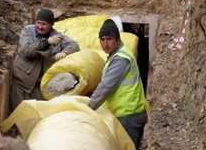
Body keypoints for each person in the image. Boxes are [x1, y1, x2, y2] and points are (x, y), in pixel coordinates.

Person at [89, 19, 148, 150]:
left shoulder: (121, 59)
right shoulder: (114, 55)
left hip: (128, 115)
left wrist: (88, 107)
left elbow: (106, 86)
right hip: (124, 114)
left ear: (117, 39)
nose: (105, 44)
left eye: (109, 39)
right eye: (102, 39)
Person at [10, 8, 79, 111]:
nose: (40, 27)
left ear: (51, 25)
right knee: (20, 114)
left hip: (40, 84)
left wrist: (64, 52)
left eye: (44, 24)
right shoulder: (28, 31)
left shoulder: (55, 35)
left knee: (39, 115)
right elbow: (27, 51)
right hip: (23, 82)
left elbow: (74, 45)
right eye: (38, 23)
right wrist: (47, 42)